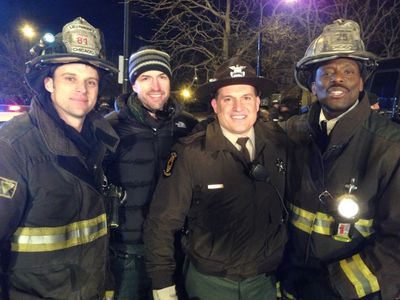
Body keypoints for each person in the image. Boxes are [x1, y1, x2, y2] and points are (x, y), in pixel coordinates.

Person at [143, 57, 291, 300]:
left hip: (265, 282)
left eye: (245, 98)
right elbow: (161, 222)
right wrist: (162, 284)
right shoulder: (190, 153)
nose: (238, 107)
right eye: (228, 99)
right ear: (215, 105)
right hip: (210, 284)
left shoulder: (280, 144)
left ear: (256, 103)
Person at [279, 19, 400, 299]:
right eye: (327, 72)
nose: (338, 78)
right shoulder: (290, 133)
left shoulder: (390, 147)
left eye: (349, 71)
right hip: (291, 284)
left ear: (361, 84)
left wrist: (336, 286)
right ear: (312, 84)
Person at [0, 17, 120, 299]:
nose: (83, 89)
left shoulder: (101, 143)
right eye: (70, 78)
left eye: (91, 81)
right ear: (49, 84)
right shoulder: (13, 148)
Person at [104, 47, 197, 300]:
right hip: (128, 250)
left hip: (175, 246)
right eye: (146, 78)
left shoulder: (187, 126)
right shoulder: (111, 127)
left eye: (162, 77)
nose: (156, 86)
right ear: (133, 85)